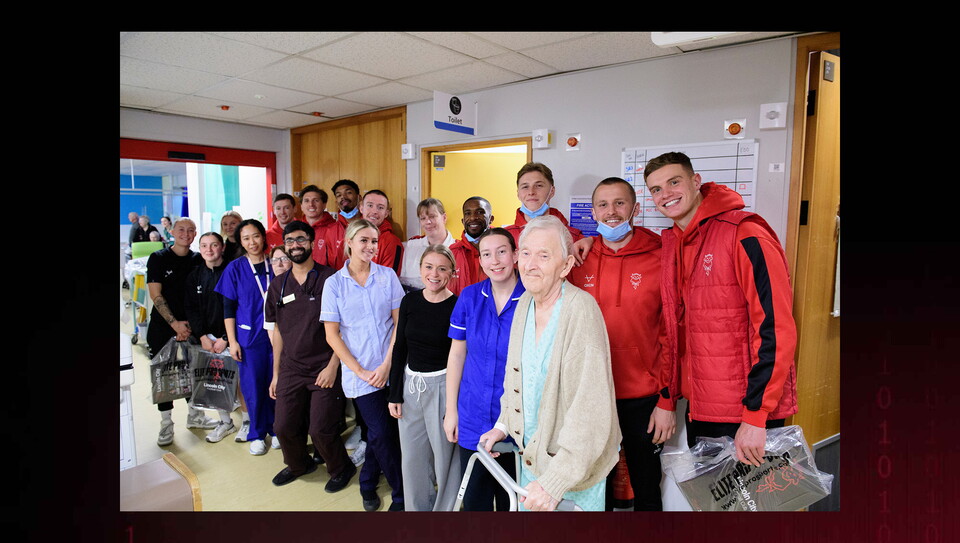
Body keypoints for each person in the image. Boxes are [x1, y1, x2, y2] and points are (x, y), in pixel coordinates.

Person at [643, 151, 798, 467]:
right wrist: (668, 395)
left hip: (747, 414)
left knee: (754, 510)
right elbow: (672, 333)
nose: (665, 194)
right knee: (713, 510)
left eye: (674, 182)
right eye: (656, 189)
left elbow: (775, 328)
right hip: (701, 409)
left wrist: (756, 415)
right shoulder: (673, 243)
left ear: (696, 181)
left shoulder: (745, 232)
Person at [478, 215, 620, 511]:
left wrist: (555, 482)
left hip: (574, 470)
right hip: (532, 460)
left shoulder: (581, 310)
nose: (531, 264)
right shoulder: (525, 304)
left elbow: (590, 412)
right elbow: (516, 379)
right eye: (526, 253)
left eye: (544, 256)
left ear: (566, 266)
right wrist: (504, 425)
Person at [567, 177, 675, 510]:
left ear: (635, 208)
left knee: (645, 481)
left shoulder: (661, 256)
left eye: (620, 203)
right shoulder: (578, 260)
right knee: (595, 483)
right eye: (603, 204)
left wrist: (667, 401)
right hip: (591, 392)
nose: (611, 212)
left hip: (643, 395)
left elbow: (672, 333)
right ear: (594, 211)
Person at [264, 221, 356, 490]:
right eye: (290, 241)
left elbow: (345, 329)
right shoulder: (278, 286)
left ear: (312, 242)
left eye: (301, 240)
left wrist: (332, 367)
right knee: (283, 427)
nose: (295, 245)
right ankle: (299, 465)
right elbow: (278, 331)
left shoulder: (331, 279)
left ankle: (341, 467)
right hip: (291, 368)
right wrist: (276, 374)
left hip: (323, 366)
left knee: (321, 429)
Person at [321, 219, 405, 512]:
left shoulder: (387, 277)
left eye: (374, 241)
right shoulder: (334, 284)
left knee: (383, 432)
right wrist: (360, 371)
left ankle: (368, 481)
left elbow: (399, 324)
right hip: (360, 375)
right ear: (350, 242)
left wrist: (386, 365)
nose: (370, 247)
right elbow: (332, 334)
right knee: (380, 433)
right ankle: (402, 495)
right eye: (364, 241)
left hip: (390, 368)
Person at [443, 227, 524, 511]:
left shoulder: (531, 298)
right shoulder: (470, 297)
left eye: (502, 251)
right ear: (479, 261)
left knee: (512, 502)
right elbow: (456, 356)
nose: (495, 260)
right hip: (472, 414)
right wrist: (451, 411)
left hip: (516, 419)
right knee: (475, 500)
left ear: (515, 255)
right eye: (486, 254)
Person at [387, 245, 460, 511]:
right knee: (413, 459)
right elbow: (400, 348)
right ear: (420, 270)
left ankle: (443, 515)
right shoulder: (410, 301)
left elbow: (460, 355)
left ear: (452, 272)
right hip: (410, 387)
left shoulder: (457, 305)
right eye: (429, 267)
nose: (434, 274)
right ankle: (417, 512)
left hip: (442, 387)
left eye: (442, 268)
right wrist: (395, 393)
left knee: (444, 459)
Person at [146, 217, 218, 446]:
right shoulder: (158, 258)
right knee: (164, 376)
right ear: (173, 232)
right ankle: (166, 423)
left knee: (193, 373)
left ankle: (195, 415)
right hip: (163, 327)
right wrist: (174, 323)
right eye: (181, 230)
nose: (185, 234)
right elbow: (156, 295)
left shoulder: (198, 259)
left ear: (195, 233)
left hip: (192, 327)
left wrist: (192, 326)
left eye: (190, 230)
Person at [215, 218, 279, 456]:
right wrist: (232, 341)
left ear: (263, 237)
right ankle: (257, 433)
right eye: (246, 238)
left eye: (256, 236)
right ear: (240, 242)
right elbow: (228, 308)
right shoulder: (235, 268)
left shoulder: (277, 263)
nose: (252, 242)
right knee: (254, 386)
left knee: (278, 383)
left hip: (278, 336)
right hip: (249, 336)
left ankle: (277, 430)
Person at [183, 232, 237, 443]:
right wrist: (203, 336)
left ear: (222, 247)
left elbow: (238, 306)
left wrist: (226, 337)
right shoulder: (195, 275)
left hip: (230, 337)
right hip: (206, 340)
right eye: (204, 245)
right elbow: (191, 309)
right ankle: (225, 422)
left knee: (240, 384)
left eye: (214, 245)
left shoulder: (233, 270)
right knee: (215, 382)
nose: (209, 249)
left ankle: (250, 421)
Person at [504, 162, 583, 245]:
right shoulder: (505, 237)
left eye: (538, 186)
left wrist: (591, 239)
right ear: (518, 193)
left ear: (552, 191)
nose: (531, 192)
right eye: (525, 187)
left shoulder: (574, 238)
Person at [399, 198, 455, 292]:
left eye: (432, 217)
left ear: (444, 218)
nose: (428, 222)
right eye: (423, 218)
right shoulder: (410, 247)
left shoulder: (457, 248)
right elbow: (403, 282)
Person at [446, 196, 494, 296]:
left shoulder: (501, 249)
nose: (473, 218)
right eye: (468, 213)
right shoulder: (452, 252)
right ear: (463, 221)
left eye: (480, 212)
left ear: (491, 219)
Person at [300, 184, 345, 270]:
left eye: (316, 200)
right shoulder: (296, 230)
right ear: (301, 206)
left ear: (324, 205)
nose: (311, 204)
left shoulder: (334, 229)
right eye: (306, 201)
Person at [359, 190, 403, 275]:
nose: (374, 211)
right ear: (361, 208)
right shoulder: (351, 236)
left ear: (386, 213)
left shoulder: (392, 242)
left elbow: (388, 280)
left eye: (380, 207)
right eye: (370, 205)